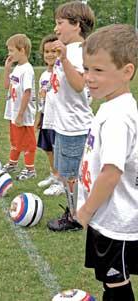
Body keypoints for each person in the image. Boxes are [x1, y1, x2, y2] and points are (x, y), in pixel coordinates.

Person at [76, 24, 138, 301]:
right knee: (112, 281)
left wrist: (86, 211)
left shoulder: (117, 116)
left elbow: (112, 172)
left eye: (98, 71)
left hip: (115, 221)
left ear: (127, 72)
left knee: (116, 284)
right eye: (86, 69)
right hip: (111, 217)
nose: (89, 77)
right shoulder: (114, 106)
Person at [47, 1, 95, 231]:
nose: (56, 29)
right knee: (66, 174)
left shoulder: (76, 52)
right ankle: (74, 210)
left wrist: (64, 59)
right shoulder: (70, 50)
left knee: (71, 176)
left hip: (74, 127)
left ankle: (75, 217)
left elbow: (78, 85)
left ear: (76, 24)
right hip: (63, 124)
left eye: (60, 23)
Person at [3, 33, 37, 181]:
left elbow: (27, 92)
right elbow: (6, 86)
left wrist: (21, 114)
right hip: (13, 111)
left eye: (11, 50)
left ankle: (30, 169)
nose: (9, 54)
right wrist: (7, 69)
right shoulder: (17, 68)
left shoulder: (27, 70)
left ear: (22, 50)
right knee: (15, 140)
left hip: (23, 114)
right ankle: (12, 164)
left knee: (28, 142)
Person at [36, 34, 64, 195]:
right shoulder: (44, 75)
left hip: (58, 119)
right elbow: (42, 98)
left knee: (58, 149)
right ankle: (54, 175)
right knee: (48, 149)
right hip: (46, 117)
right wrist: (40, 116)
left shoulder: (61, 73)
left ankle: (61, 181)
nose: (50, 54)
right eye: (47, 51)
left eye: (54, 51)